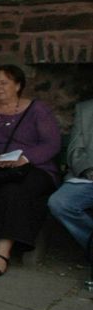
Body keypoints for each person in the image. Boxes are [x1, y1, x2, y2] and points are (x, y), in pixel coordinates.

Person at [0, 65, 62, 277]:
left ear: (18, 85)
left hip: (32, 167)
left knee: (13, 190)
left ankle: (2, 252)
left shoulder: (37, 110)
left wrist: (24, 159)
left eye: (4, 82)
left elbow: (52, 143)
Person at [48, 99, 93, 253]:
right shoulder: (86, 109)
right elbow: (75, 149)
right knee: (60, 202)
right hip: (89, 178)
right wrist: (88, 170)